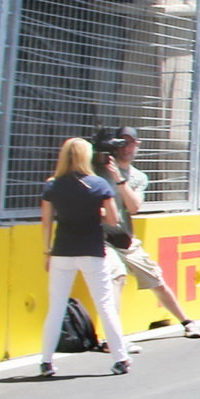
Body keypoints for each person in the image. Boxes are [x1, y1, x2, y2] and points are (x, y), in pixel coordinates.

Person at [96, 127, 200, 340]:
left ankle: (186, 321)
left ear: (137, 145)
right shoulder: (99, 169)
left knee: (156, 279)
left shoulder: (138, 177)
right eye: (122, 143)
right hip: (100, 236)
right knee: (117, 277)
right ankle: (113, 336)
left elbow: (134, 207)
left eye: (130, 142)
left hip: (124, 236)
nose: (126, 148)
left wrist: (119, 180)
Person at [38, 137, 133, 377]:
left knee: (56, 307)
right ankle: (120, 358)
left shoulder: (52, 185)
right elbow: (114, 220)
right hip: (92, 250)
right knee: (105, 305)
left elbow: (46, 222)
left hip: (62, 250)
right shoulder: (98, 184)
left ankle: (46, 361)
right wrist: (98, 212)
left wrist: (47, 250)